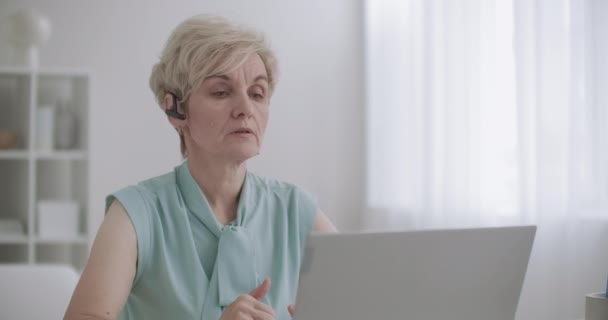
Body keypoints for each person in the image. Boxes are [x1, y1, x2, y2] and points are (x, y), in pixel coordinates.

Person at [64, 15, 336, 320]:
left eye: (257, 94)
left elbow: (368, 297)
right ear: (175, 109)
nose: (246, 108)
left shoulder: (296, 209)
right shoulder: (135, 215)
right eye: (221, 92)